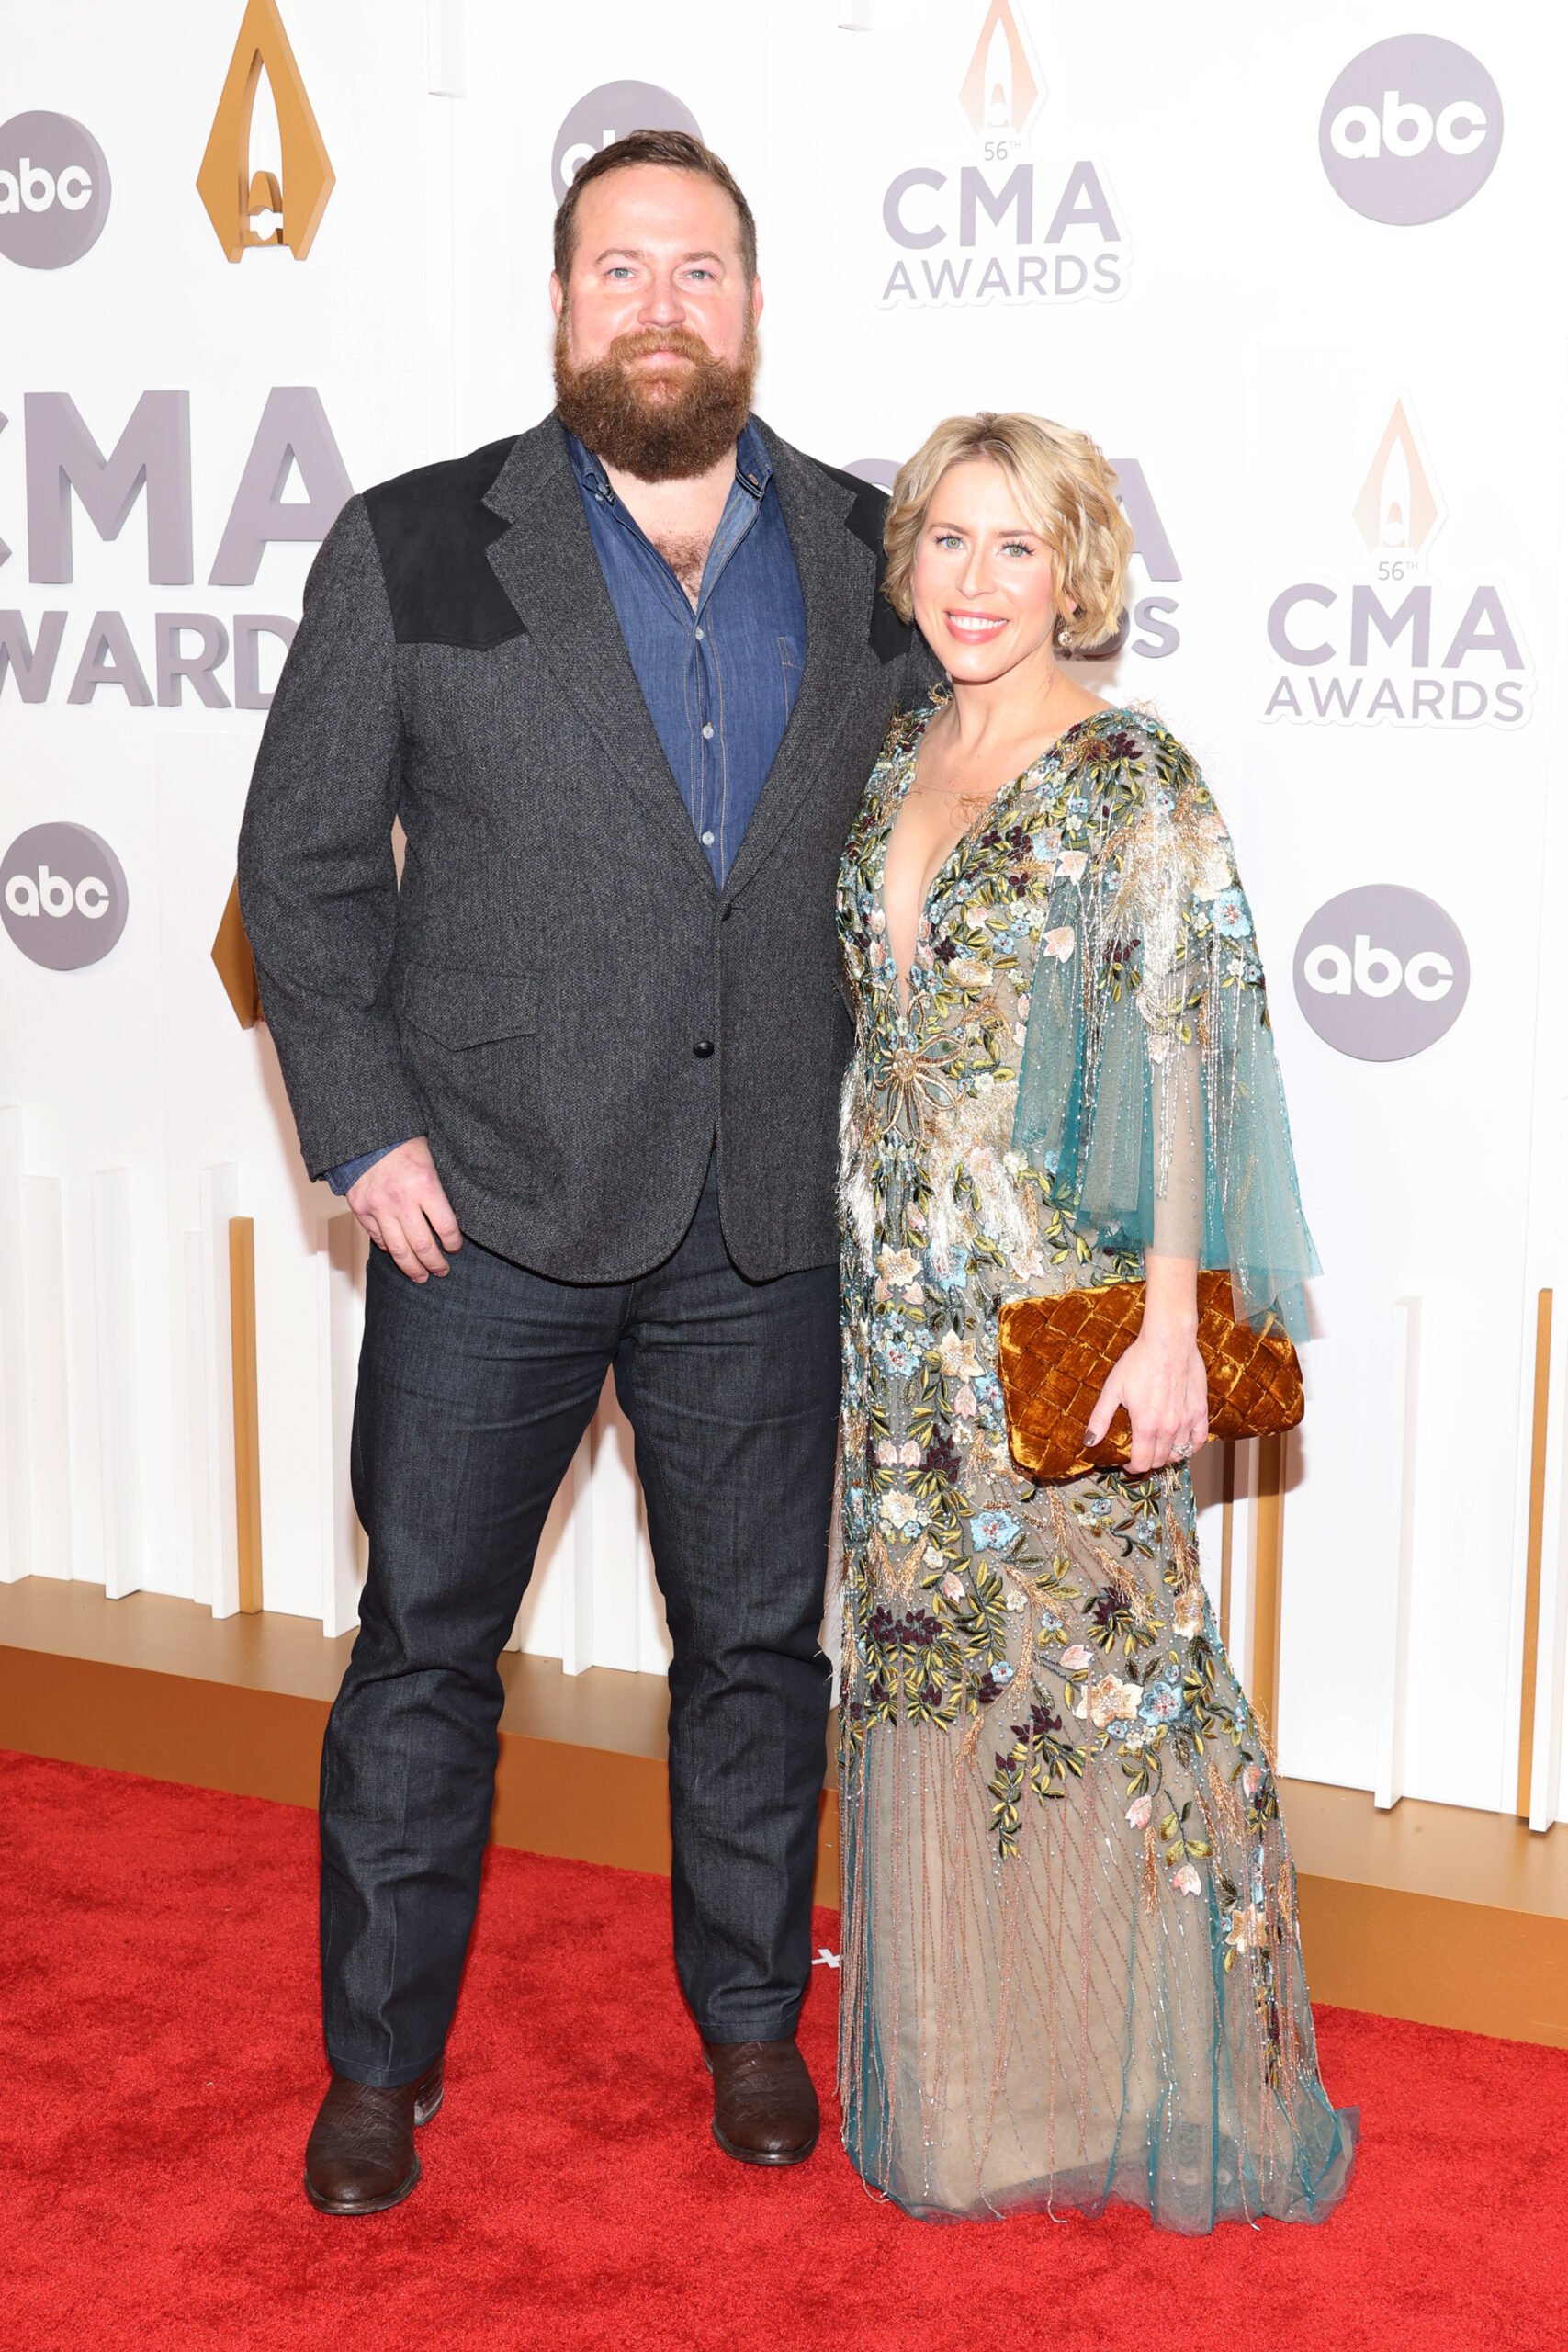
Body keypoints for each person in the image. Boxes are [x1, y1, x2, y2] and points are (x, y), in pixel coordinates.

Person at [238, 130, 934, 2216]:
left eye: (699, 267)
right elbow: (296, 870)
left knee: (752, 1649)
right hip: (494, 1217)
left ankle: (747, 2027)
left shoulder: (871, 546)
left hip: (759, 1216)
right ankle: (381, 2064)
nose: (660, 303)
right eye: (618, 266)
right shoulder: (414, 544)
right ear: (560, 305)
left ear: (750, 301)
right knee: (425, 1649)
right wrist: (364, 1127)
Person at [833, 412, 1357, 2227]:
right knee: (934, 1689)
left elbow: (1182, 1052)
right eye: (944, 543)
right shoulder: (905, 742)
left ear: (1074, 572)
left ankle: (1174, 2079)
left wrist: (1164, 1325)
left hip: (1055, 1312)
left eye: (1013, 548)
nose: (972, 583)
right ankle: (979, 2096)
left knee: (1103, 1690)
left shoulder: (1125, 772)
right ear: (906, 562)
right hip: (897, 1314)